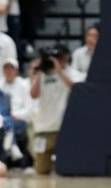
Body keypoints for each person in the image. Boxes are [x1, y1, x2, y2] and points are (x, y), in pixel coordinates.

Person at [29, 45, 81, 174]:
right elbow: (33, 95)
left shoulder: (71, 72)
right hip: (43, 128)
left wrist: (59, 71)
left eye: (59, 57)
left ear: (66, 58)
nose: (56, 60)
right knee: (41, 169)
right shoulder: (43, 73)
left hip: (62, 128)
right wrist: (39, 72)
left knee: (65, 169)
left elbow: (75, 89)